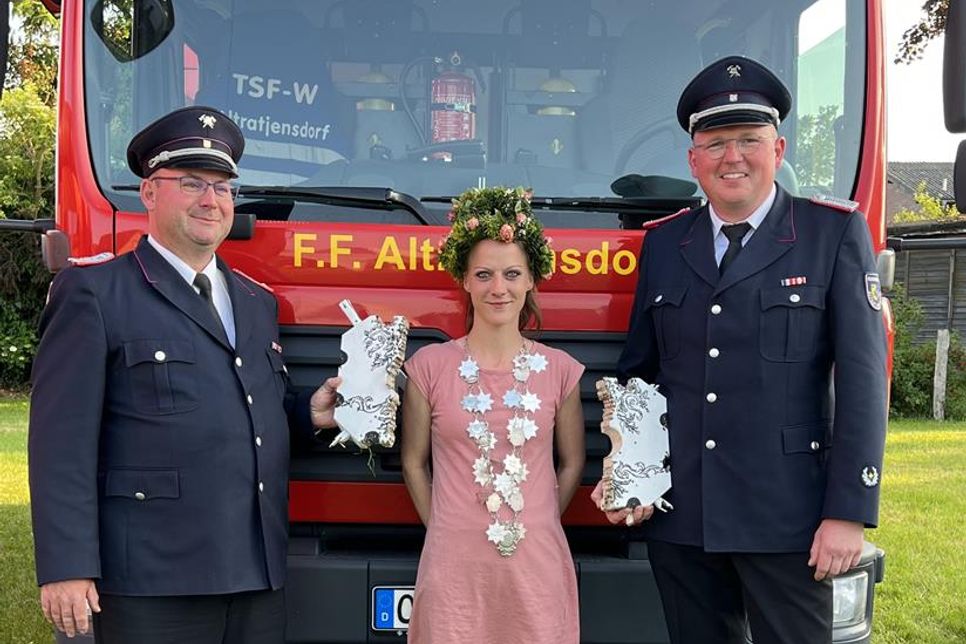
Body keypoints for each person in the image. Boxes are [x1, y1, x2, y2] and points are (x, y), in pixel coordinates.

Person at [593, 56, 888, 644]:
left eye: (748, 140)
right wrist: (632, 475)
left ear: (777, 150)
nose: (733, 157)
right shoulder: (665, 243)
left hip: (789, 517)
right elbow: (639, 379)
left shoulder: (831, 235)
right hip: (684, 517)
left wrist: (849, 511)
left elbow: (863, 380)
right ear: (692, 159)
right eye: (716, 142)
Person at [28, 106, 340, 644]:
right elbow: (60, 446)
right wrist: (66, 566)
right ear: (149, 193)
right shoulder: (96, 295)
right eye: (191, 183)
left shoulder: (254, 301)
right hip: (151, 580)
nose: (210, 200)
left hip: (253, 574)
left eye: (222, 187)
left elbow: (248, 411)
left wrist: (308, 412)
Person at [401, 186, 585, 643]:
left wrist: (539, 519)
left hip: (535, 566)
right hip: (453, 566)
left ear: (530, 281)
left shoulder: (561, 371)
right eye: (483, 274)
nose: (497, 288)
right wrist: (445, 526)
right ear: (464, 280)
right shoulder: (428, 368)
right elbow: (412, 461)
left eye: (511, 274)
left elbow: (574, 462)